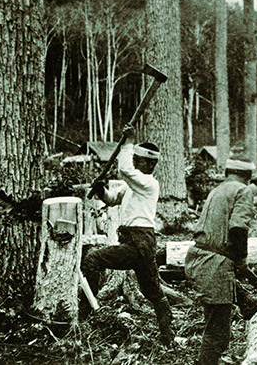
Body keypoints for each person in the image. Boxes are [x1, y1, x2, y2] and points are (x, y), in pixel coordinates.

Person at [82, 124, 175, 346]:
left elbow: (124, 170)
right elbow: (113, 199)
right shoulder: (132, 186)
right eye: (134, 158)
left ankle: (86, 314)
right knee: (152, 291)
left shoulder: (149, 184)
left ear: (151, 164)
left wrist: (128, 142)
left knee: (92, 259)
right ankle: (168, 335)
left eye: (139, 160)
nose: (134, 161)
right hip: (137, 242)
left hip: (139, 242)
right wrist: (101, 190)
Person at [185, 158, 257, 365]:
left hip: (198, 258)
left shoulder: (217, 191)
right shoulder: (242, 191)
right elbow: (238, 228)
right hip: (214, 264)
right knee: (218, 335)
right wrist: (242, 259)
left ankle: (245, 299)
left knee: (214, 324)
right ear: (247, 177)